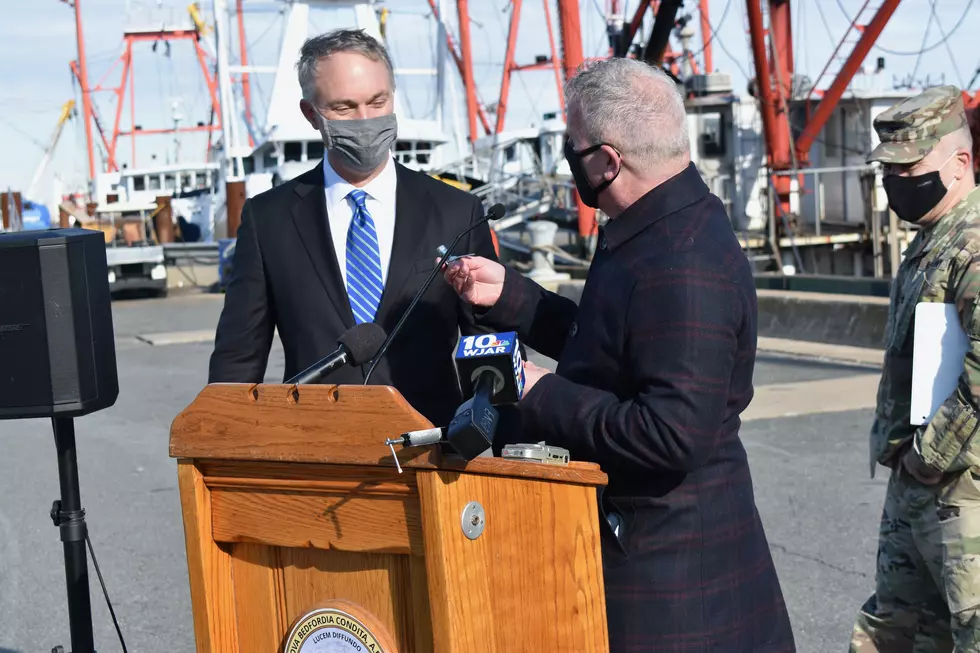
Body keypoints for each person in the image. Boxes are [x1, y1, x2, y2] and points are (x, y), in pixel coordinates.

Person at [442, 58, 795, 652]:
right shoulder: (652, 225)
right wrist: (515, 298)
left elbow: (671, 434)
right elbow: (614, 344)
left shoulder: (685, 260)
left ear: (607, 161)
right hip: (654, 559)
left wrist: (533, 388)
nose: (568, 159)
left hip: (678, 588)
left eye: (573, 147)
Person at [208, 29, 498, 426]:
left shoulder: (457, 212)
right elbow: (238, 358)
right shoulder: (268, 220)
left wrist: (509, 453)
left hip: (432, 454)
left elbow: (492, 347)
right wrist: (224, 453)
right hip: (316, 455)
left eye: (377, 101)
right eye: (344, 108)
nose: (366, 120)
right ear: (312, 114)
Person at [849, 85, 980, 652]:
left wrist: (928, 456)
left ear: (959, 164)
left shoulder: (973, 244)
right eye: (890, 171)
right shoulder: (933, 237)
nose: (897, 182)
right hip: (919, 481)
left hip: (961, 492)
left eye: (911, 167)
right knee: (898, 630)